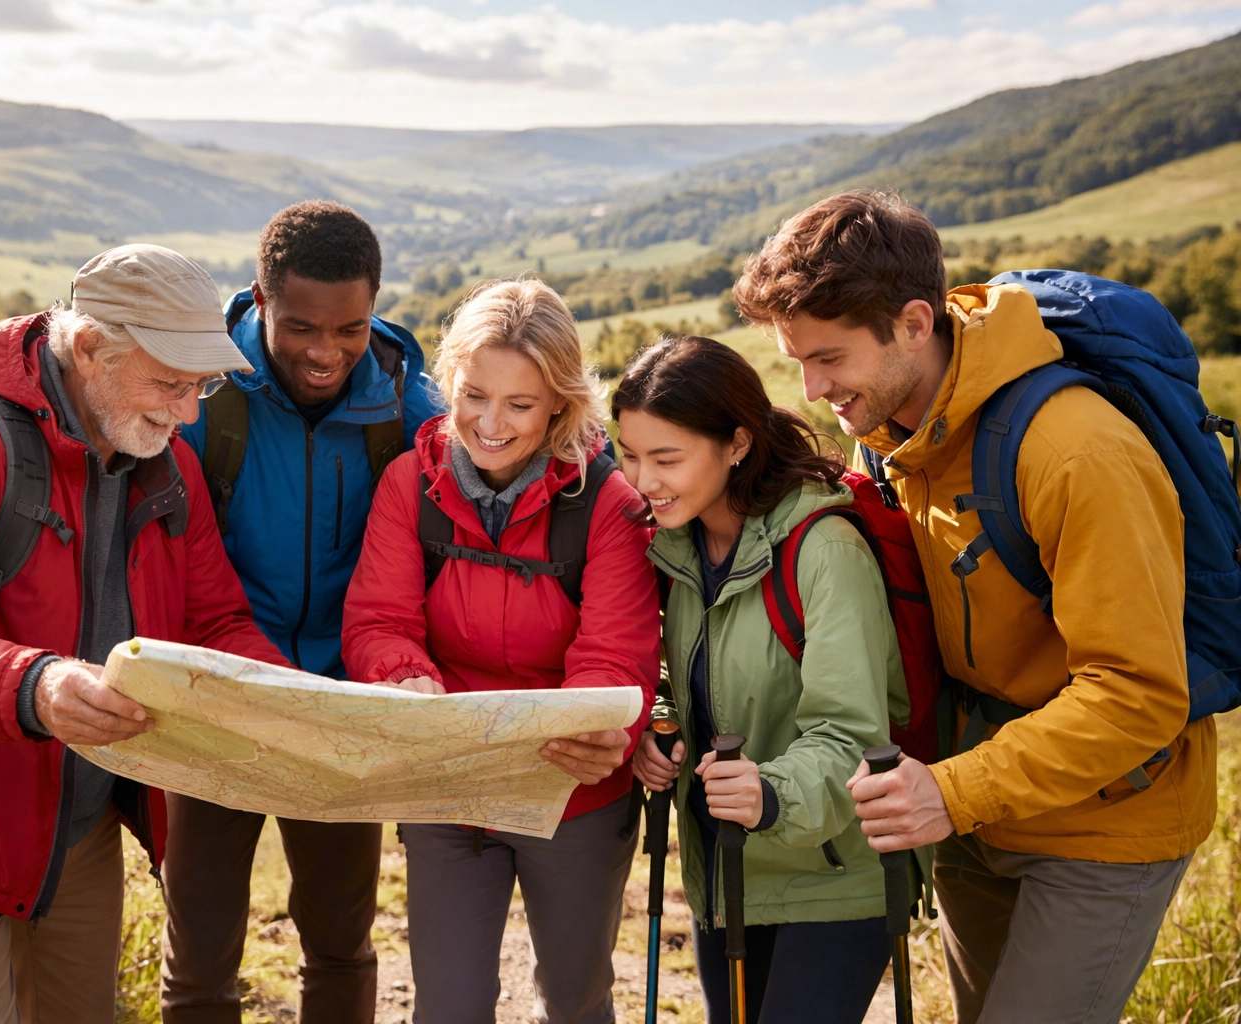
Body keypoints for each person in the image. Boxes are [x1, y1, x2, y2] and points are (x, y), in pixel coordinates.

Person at [733, 189, 1215, 1024]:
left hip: (1105, 821)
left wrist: (949, 794)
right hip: (970, 808)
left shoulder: (1076, 453)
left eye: (830, 359)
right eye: (798, 360)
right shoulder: (886, 428)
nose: (812, 388)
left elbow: (1141, 694)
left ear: (914, 323)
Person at [0, 244, 289, 1023]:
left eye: (201, 387)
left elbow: (215, 621)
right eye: (169, 382)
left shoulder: (164, 459)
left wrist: (303, 705)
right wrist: (36, 685)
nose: (188, 413)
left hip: (77, 839)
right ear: (89, 348)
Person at [341, 278, 659, 1024]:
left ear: (560, 403)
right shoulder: (407, 486)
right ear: (449, 381)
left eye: (519, 405)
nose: (490, 423)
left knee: (575, 998)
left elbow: (615, 654)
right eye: (473, 395)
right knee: (448, 1005)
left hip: (572, 789)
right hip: (448, 779)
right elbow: (378, 619)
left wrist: (600, 730)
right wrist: (404, 678)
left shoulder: (608, 505)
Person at [163, 201, 440, 1023]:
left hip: (338, 702)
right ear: (259, 297)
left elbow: (512, 466)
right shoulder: (203, 396)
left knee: (339, 944)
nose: (325, 352)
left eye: (349, 329)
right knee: (202, 957)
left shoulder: (405, 408)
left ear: (374, 309)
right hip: (216, 696)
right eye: (301, 327)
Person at [617, 335, 906, 1024]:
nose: (642, 480)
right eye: (629, 456)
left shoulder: (824, 549)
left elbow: (854, 736)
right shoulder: (676, 547)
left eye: (666, 459)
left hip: (833, 877)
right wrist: (658, 725)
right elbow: (683, 671)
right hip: (730, 869)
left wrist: (770, 792)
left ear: (737, 444)